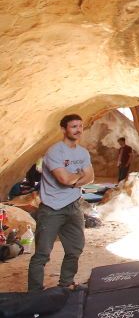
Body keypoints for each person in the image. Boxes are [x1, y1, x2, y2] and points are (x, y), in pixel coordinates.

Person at [28, 114, 94, 291]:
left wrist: (76, 180)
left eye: (80, 126)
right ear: (64, 129)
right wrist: (80, 176)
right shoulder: (54, 152)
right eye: (73, 126)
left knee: (75, 249)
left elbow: (91, 177)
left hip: (73, 207)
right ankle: (34, 293)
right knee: (42, 254)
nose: (78, 130)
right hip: (51, 209)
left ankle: (66, 283)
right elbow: (64, 179)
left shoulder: (83, 153)